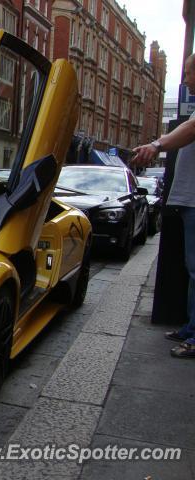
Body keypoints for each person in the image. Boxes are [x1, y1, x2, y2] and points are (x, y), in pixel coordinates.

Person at [132, 53, 195, 358]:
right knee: (192, 268)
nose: (184, 80)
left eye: (188, 73)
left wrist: (156, 144)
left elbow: (188, 131)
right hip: (188, 201)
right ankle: (190, 328)